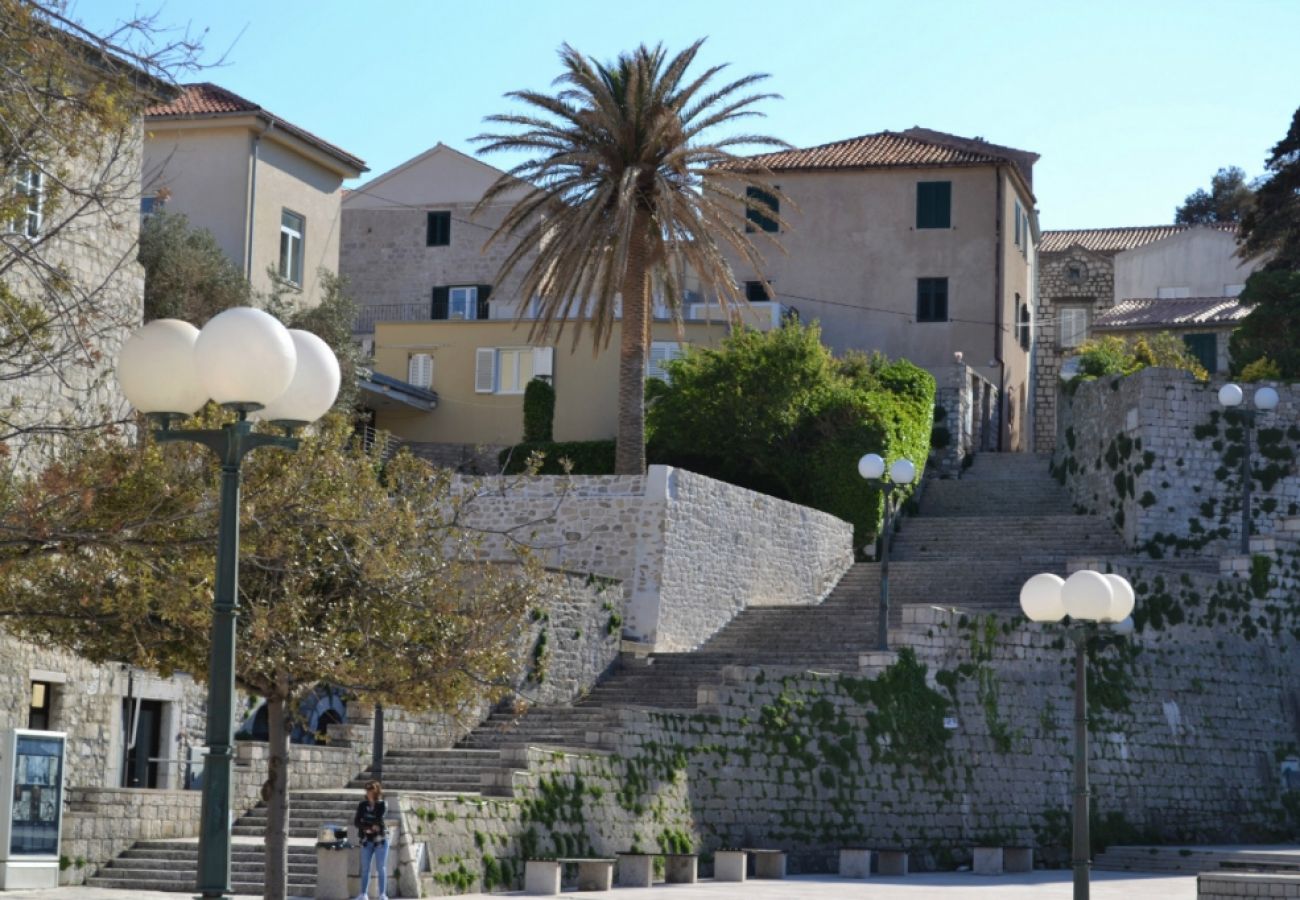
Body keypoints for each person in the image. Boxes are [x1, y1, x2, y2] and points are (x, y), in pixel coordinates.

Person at [353, 780, 389, 900]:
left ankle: (382, 894)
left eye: (371, 790)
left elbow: (378, 820)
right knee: (365, 868)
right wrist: (368, 828)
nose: (368, 792)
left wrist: (367, 824)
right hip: (366, 841)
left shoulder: (382, 804)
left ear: (376, 791)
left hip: (380, 841)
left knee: (381, 867)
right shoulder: (362, 805)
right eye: (367, 790)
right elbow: (357, 822)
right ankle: (363, 894)